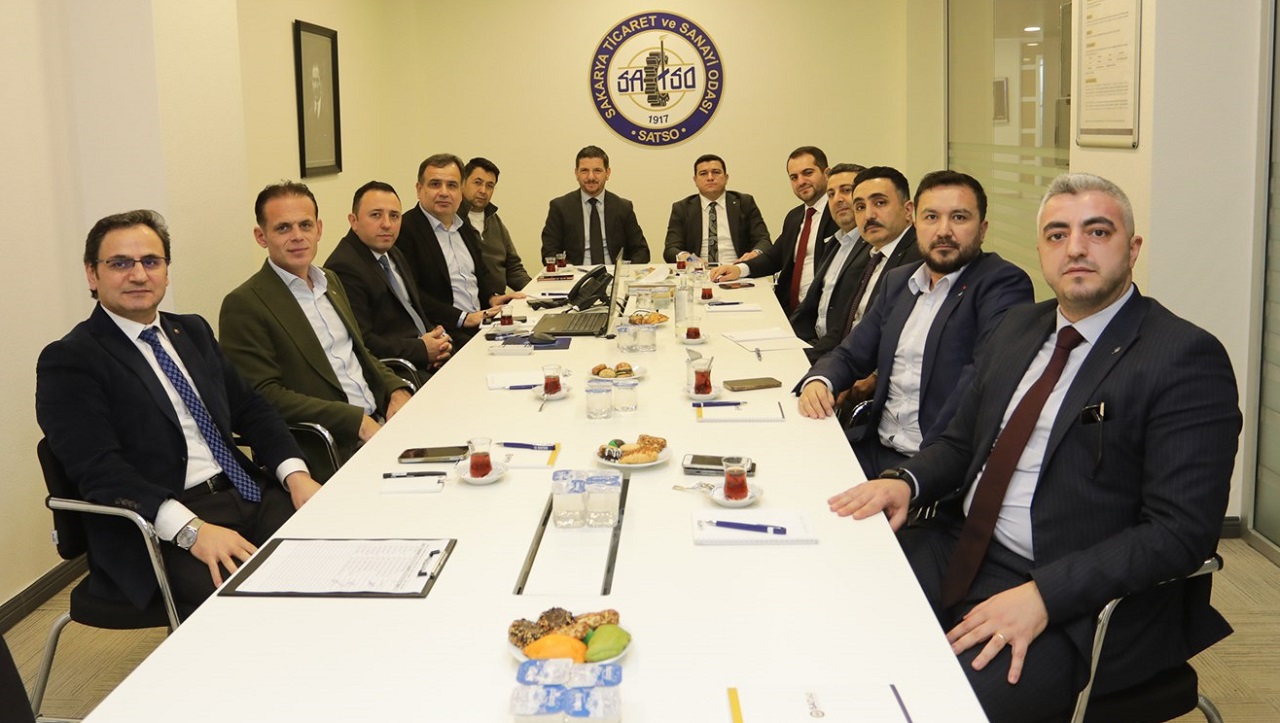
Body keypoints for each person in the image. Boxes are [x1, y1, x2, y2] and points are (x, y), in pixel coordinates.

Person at [828, 173, 1240, 722]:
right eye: (1057, 234)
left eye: (1098, 232)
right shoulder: (1020, 327)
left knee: (936, 709)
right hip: (963, 545)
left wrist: (1045, 594)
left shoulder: (1183, 357)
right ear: (1042, 249)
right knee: (835, 619)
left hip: (1073, 595)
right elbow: (961, 441)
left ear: (1133, 248)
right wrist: (906, 482)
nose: (1076, 248)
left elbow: (1180, 532)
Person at [36, 210, 322, 616]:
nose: (139, 275)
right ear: (92, 274)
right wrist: (191, 531)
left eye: (151, 262)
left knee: (330, 549)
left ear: (166, 272)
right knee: (260, 603)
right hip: (159, 522)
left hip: (246, 491)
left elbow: (252, 409)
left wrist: (296, 476)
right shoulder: (70, 360)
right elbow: (98, 469)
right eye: (120, 263)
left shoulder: (191, 331)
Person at [797, 171, 1034, 477]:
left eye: (959, 217)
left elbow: (980, 384)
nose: (943, 231)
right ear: (915, 221)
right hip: (874, 445)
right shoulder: (899, 281)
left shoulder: (1002, 284)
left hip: (933, 465)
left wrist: (912, 476)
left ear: (983, 229)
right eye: (931, 217)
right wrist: (820, 381)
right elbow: (851, 352)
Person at [220, 182, 412, 466]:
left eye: (305, 225)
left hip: (381, 423)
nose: (297, 236)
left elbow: (359, 353)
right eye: (283, 228)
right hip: (330, 446)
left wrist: (397, 389)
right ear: (261, 237)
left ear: (319, 229)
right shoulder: (245, 304)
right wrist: (356, 421)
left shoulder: (330, 281)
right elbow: (263, 395)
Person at [789, 164, 923, 362]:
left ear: (908, 210)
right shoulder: (873, 256)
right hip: (839, 359)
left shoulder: (921, 259)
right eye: (860, 207)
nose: (869, 215)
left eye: (880, 203)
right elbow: (843, 329)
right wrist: (799, 359)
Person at [323, 180, 452, 376]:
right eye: (376, 215)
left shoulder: (392, 252)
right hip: (395, 371)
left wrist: (439, 342)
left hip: (424, 356)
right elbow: (363, 343)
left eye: (394, 216)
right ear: (354, 221)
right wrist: (422, 350)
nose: (387, 224)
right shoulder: (344, 267)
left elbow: (414, 310)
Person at [397, 154, 521, 346]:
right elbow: (411, 294)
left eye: (452, 185)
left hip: (482, 323)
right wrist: (464, 318)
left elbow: (481, 273)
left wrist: (492, 298)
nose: (444, 192)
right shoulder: (405, 229)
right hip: (445, 333)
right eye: (435, 184)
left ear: (461, 191)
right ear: (419, 189)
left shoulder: (463, 226)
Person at [711, 146, 838, 314]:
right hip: (787, 310)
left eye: (808, 173)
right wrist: (740, 269)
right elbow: (774, 257)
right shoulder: (795, 217)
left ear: (827, 174)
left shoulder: (839, 215)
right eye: (794, 177)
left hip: (820, 313)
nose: (801, 182)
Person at [540, 145, 650, 265]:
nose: (591, 177)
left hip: (614, 272)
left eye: (597, 171)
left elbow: (642, 251)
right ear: (576, 173)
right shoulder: (560, 207)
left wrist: (625, 269)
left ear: (607, 173)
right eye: (584, 171)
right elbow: (549, 252)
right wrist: (567, 270)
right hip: (576, 274)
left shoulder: (623, 207)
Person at [662, 154, 771, 264]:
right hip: (698, 269)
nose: (710, 178)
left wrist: (754, 254)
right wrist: (691, 259)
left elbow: (764, 241)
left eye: (716, 172)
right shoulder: (682, 208)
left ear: (726, 178)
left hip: (738, 268)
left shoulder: (744, 202)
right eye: (703, 173)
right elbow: (671, 249)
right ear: (695, 180)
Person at [460, 157, 532, 292]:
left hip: (499, 300)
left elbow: (513, 268)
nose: (483, 190)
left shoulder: (494, 220)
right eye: (477, 183)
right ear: (462, 183)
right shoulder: (452, 220)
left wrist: (535, 292)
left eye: (489, 186)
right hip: (469, 301)